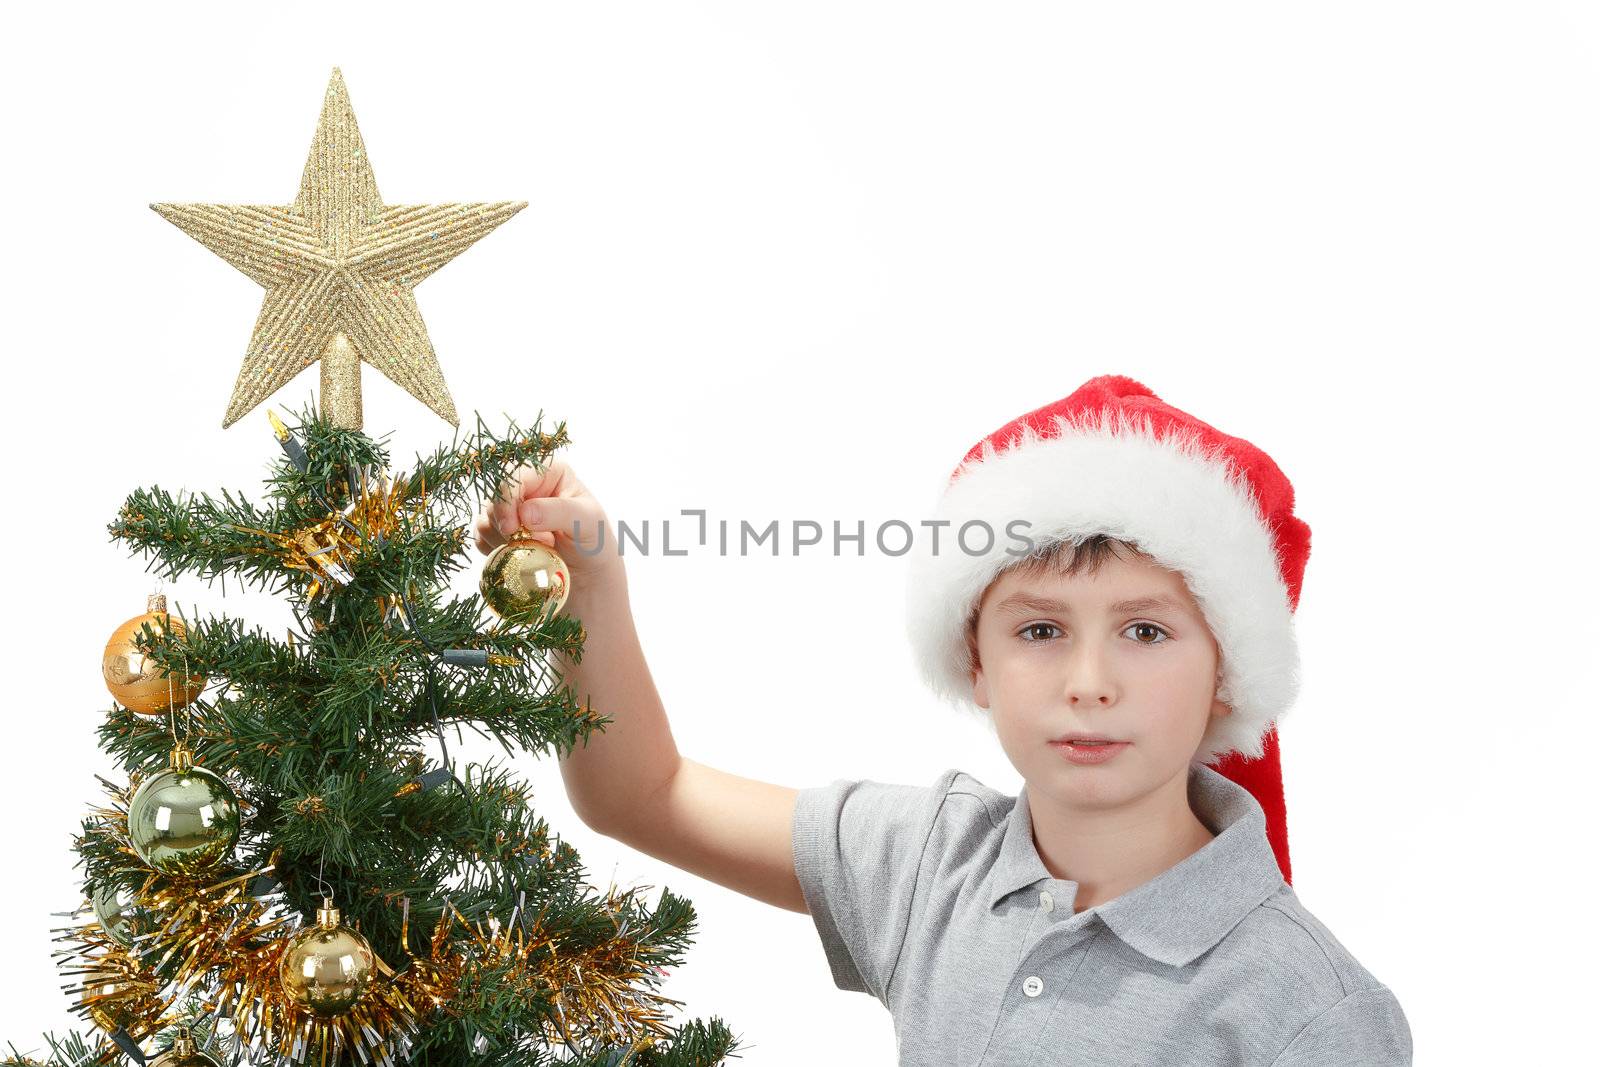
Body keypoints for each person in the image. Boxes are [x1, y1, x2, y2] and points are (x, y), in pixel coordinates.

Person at [475, 374, 1413, 1065]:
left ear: (1227, 671)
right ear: (976, 662)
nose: (1089, 681)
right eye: (1040, 628)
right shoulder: (929, 863)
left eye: (1145, 630)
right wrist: (587, 596)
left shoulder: (1310, 1012)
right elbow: (643, 793)